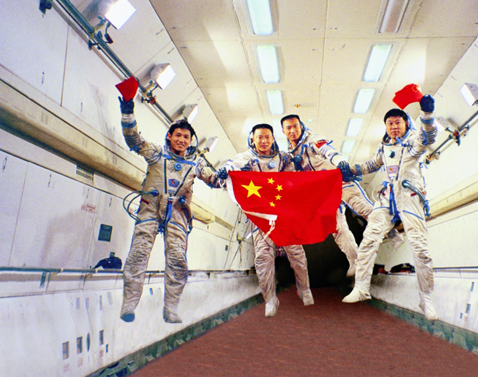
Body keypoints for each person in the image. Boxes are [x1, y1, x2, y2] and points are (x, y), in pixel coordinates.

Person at [197, 123, 314, 318]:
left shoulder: (283, 158)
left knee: (297, 255)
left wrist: (300, 164)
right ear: (253, 139)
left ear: (273, 138)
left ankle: (304, 289)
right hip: (261, 218)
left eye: (267, 137)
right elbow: (231, 166)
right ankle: (270, 299)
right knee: (263, 260)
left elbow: (299, 175)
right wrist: (224, 170)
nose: (264, 141)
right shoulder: (246, 159)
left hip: (284, 215)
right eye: (259, 137)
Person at [341, 94, 439, 321]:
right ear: (385, 126)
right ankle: (361, 287)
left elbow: (428, 136)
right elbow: (372, 165)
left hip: (409, 196)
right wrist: (351, 171)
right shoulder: (384, 147)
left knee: (420, 249)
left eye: (398, 122)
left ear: (406, 123)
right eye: (390, 123)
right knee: (369, 239)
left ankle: (426, 298)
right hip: (387, 198)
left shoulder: (413, 143)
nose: (394, 126)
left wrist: (427, 114)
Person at [118, 94, 198, 324]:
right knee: (138, 254)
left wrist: (228, 173)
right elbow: (134, 140)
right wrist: (127, 111)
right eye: (178, 135)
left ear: (190, 141)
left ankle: (171, 308)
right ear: (169, 136)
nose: (182, 140)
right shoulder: (156, 154)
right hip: (150, 211)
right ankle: (129, 304)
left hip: (177, 214)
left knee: (178, 260)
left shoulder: (194, 166)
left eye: (186, 137)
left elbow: (215, 179)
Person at [280, 114, 374, 276]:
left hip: (338, 180)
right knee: (337, 228)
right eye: (288, 128)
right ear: (283, 131)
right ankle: (356, 262)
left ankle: (391, 228)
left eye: (295, 126)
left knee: (360, 206)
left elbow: (328, 150)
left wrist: (340, 162)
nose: (293, 130)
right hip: (323, 193)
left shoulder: (312, 140)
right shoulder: (290, 154)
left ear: (301, 126)